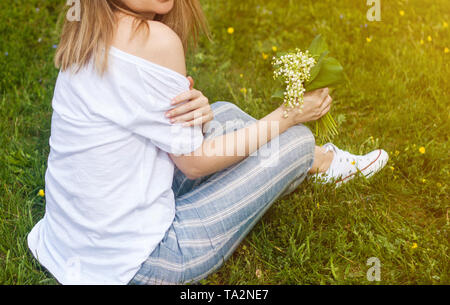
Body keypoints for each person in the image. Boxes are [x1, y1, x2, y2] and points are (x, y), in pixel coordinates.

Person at [27, 0, 389, 285]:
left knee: (222, 111)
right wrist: (289, 114)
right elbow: (194, 162)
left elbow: (146, 114)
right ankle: (316, 161)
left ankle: (307, 162)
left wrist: (195, 109)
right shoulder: (154, 39)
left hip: (69, 243)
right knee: (292, 138)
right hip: (143, 263)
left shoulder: (87, 29)